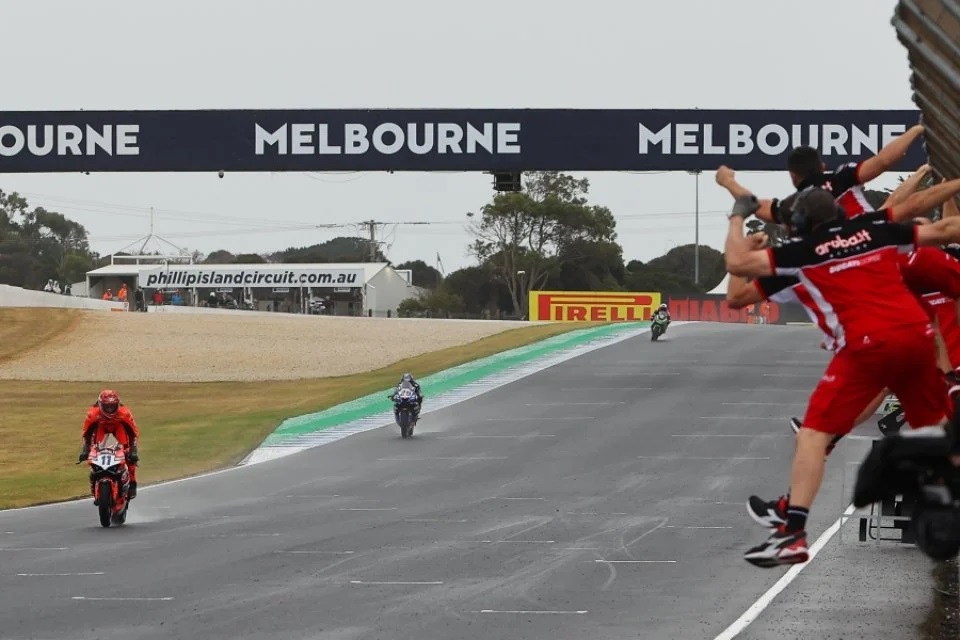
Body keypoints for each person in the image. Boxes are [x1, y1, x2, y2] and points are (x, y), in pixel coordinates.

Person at [721, 185, 960, 568]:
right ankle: (787, 508)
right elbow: (943, 228)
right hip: (918, 338)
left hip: (866, 346)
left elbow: (736, 270)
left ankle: (792, 534)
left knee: (814, 434)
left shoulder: (802, 252)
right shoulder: (875, 232)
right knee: (941, 435)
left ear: (800, 224)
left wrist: (736, 216)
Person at [746, 126, 925, 223]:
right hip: (871, 241)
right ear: (822, 167)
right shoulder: (842, 178)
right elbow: (884, 161)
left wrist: (728, 182)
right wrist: (916, 129)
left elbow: (758, 207)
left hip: (836, 264)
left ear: (792, 175)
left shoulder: (793, 205)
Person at [79, 389, 140, 499]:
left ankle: (132, 482)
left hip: (119, 428)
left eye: (113, 406)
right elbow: (86, 434)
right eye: (107, 406)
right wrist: (85, 449)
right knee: (95, 452)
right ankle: (94, 481)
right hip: (101, 428)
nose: (110, 409)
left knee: (128, 454)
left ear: (118, 404)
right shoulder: (92, 414)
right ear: (100, 405)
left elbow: (133, 433)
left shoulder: (124, 413)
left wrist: (133, 450)